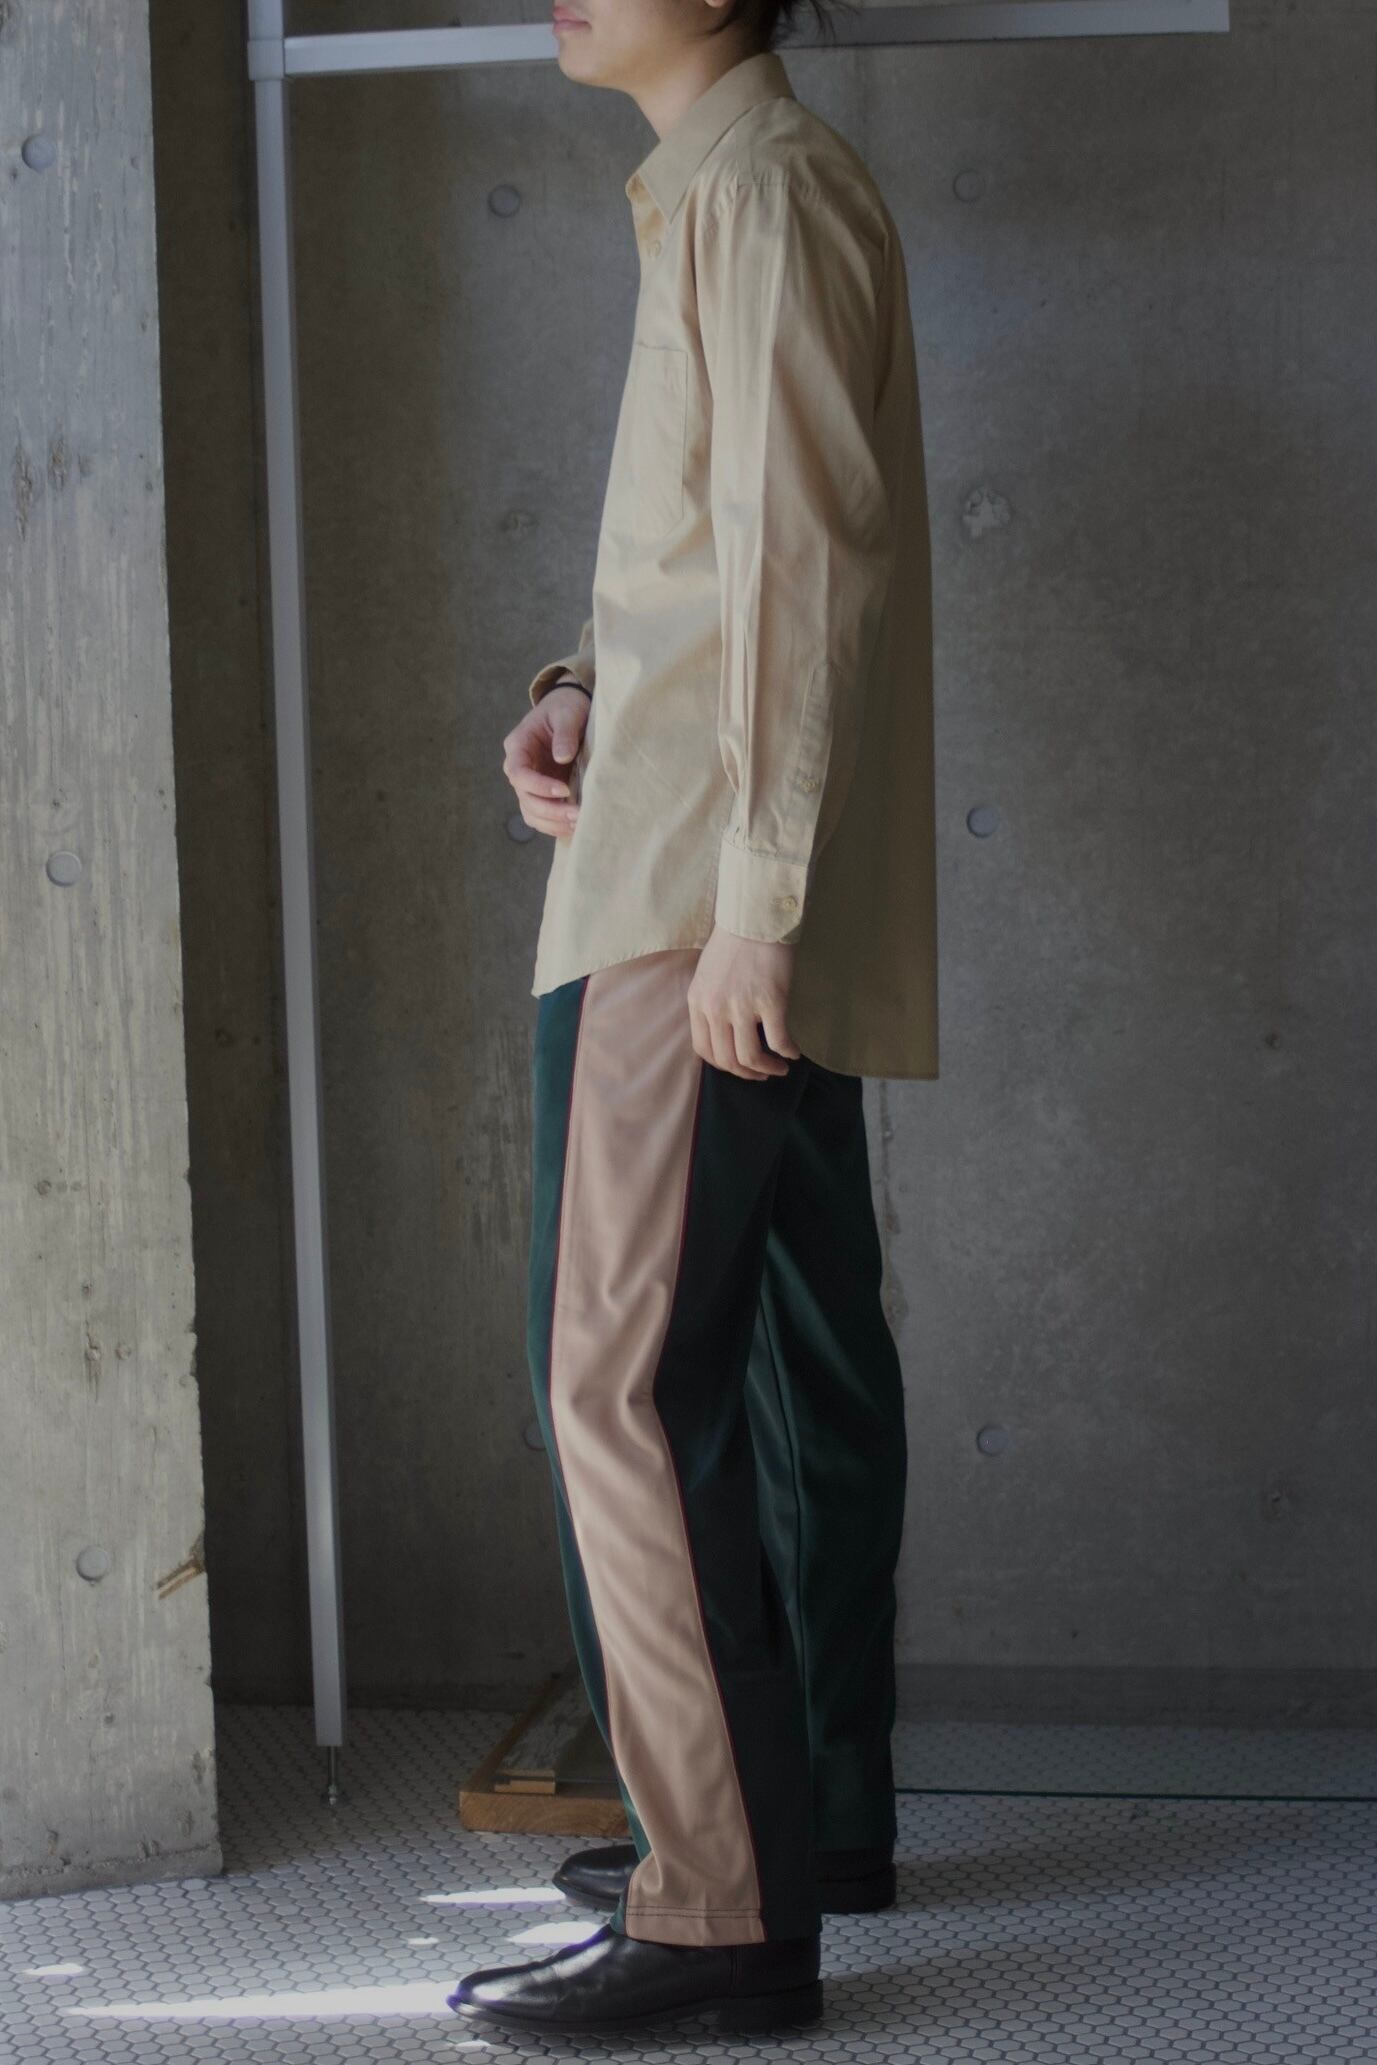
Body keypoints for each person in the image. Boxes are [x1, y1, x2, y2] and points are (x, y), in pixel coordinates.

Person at [447, 0, 937, 2036]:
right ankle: (801, 1823)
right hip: (699, 863)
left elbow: (807, 569)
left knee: (622, 1388)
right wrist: (582, 682)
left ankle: (720, 1901)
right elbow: (712, 560)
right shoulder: (727, 189)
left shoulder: (762, 196)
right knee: (798, 1351)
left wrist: (757, 901)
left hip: (688, 898)